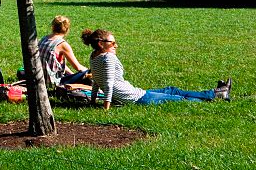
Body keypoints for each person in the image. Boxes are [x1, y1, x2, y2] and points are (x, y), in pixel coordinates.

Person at [82, 28, 231, 108]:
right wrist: (105, 107)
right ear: (101, 44)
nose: (116, 45)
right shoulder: (108, 57)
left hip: (136, 93)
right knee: (179, 98)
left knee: (172, 89)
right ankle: (216, 95)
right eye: (112, 43)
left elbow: (96, 81)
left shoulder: (94, 56)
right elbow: (107, 84)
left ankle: (215, 93)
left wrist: (93, 101)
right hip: (136, 98)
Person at [38, 15, 90, 88]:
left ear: (52, 26)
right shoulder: (62, 44)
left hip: (39, 79)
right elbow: (78, 67)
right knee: (88, 73)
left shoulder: (44, 39)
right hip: (53, 82)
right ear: (67, 29)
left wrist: (72, 75)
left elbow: (57, 64)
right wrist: (89, 72)